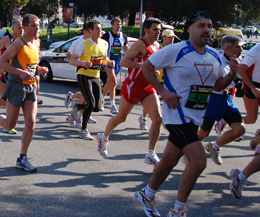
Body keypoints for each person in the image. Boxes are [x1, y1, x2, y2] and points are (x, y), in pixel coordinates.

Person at [135, 11, 239, 217]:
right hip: (176, 115)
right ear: (190, 29)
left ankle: (146, 194)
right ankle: (178, 209)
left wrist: (233, 75)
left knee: (169, 161)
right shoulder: (176, 50)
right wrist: (163, 91)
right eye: (201, 25)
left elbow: (217, 85)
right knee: (199, 161)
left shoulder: (214, 55)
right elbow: (147, 67)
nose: (207, 30)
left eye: (209, 26)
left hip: (195, 117)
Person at [0, 14, 47, 172]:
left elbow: (32, 64)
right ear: (26, 27)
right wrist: (19, 72)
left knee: (31, 123)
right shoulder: (18, 43)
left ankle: (22, 157)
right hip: (16, 85)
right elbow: (1, 62)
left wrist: (39, 69)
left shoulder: (37, 43)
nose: (38, 29)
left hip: (30, 87)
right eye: (34, 26)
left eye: (39, 26)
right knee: (11, 124)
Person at [96, 17, 162, 165]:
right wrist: (143, 67)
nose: (158, 32)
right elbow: (125, 61)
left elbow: (152, 64)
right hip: (133, 86)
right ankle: (104, 136)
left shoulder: (157, 45)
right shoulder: (140, 44)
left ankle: (151, 152)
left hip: (148, 87)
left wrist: (154, 71)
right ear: (146, 30)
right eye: (155, 29)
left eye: (159, 29)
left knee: (157, 119)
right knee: (121, 117)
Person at [197, 34, 246, 165]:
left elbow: (237, 76)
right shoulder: (217, 62)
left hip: (227, 99)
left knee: (239, 130)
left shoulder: (236, 58)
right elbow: (217, 86)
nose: (241, 49)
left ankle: (214, 146)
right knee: (204, 133)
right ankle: (188, 151)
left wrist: (239, 81)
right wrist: (232, 75)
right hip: (214, 99)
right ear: (227, 48)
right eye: (238, 47)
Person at [69, 20, 114, 140]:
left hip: (96, 75)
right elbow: (72, 60)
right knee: (91, 102)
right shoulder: (84, 44)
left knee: (97, 107)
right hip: (84, 75)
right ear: (90, 30)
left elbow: (103, 58)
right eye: (97, 29)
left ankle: (77, 105)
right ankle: (83, 130)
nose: (100, 31)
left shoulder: (104, 43)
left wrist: (109, 62)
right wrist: (82, 63)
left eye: (101, 28)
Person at [100, 17, 129, 114]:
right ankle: (113, 105)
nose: (119, 26)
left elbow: (126, 49)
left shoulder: (123, 36)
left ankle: (101, 99)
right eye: (117, 24)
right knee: (113, 82)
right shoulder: (107, 36)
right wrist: (105, 59)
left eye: (120, 24)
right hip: (108, 61)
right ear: (112, 25)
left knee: (109, 82)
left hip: (118, 61)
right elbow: (101, 47)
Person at [236, 41, 260, 127]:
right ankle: (226, 120)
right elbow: (241, 70)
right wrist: (252, 88)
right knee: (251, 119)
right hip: (252, 85)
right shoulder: (256, 50)